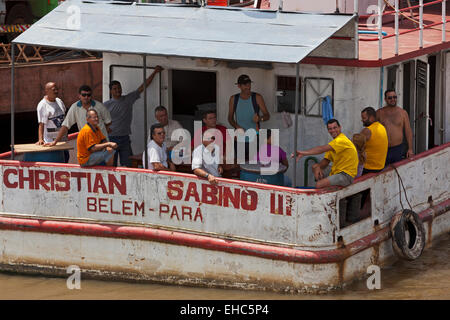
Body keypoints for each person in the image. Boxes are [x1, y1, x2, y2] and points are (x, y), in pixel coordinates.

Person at [104, 66, 163, 167]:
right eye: (115, 88)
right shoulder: (105, 105)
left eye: (119, 88)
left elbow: (142, 87)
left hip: (125, 138)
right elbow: (98, 120)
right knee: (111, 166)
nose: (118, 90)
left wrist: (155, 72)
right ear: (110, 91)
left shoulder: (128, 99)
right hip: (111, 139)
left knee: (128, 165)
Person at [293, 119, 358, 188]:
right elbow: (326, 161)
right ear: (328, 130)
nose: (332, 130)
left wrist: (303, 153)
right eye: (330, 129)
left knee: (319, 185)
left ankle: (324, 186)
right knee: (315, 166)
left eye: (335, 127)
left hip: (346, 175)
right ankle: (325, 184)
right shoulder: (333, 144)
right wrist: (318, 167)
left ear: (340, 127)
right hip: (336, 171)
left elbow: (322, 149)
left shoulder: (341, 140)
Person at [46, 85, 112, 147]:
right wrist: (55, 141)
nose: (86, 97)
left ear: (91, 96)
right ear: (79, 96)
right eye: (84, 95)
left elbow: (108, 122)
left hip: (102, 143)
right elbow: (65, 126)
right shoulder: (75, 107)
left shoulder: (100, 106)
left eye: (88, 95)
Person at [227, 74, 270, 161]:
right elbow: (230, 118)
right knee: (240, 165)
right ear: (239, 86)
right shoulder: (233, 99)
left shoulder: (257, 97)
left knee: (254, 164)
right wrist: (236, 126)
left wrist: (260, 119)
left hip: (254, 138)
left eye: (249, 83)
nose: (248, 86)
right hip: (239, 139)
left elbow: (267, 115)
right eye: (245, 84)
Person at [376, 89, 413, 165]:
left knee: (398, 171)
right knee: (383, 173)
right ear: (385, 99)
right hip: (383, 149)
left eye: (394, 97)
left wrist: (410, 149)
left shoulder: (403, 113)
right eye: (390, 98)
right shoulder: (379, 113)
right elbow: (373, 130)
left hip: (398, 149)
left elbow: (408, 132)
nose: (393, 99)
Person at [35, 82, 70, 162]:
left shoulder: (59, 101)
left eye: (57, 89)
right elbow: (41, 124)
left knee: (66, 159)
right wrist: (40, 139)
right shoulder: (42, 105)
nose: (56, 91)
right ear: (46, 91)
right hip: (51, 143)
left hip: (63, 141)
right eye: (54, 90)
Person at [360, 106, 388, 174]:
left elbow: (355, 146)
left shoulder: (367, 130)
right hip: (380, 167)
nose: (362, 120)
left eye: (364, 118)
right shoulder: (382, 127)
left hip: (368, 168)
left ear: (372, 118)